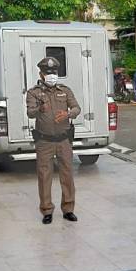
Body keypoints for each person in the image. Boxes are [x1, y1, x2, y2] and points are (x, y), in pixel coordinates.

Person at [26, 56, 81, 225]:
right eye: (48, 72)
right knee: (44, 176)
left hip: (64, 140)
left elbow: (76, 108)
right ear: (41, 74)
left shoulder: (65, 90)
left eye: (54, 72)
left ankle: (68, 209)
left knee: (67, 174)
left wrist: (68, 114)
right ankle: (47, 210)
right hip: (45, 142)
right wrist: (40, 108)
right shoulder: (34, 92)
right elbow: (30, 113)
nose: (51, 75)